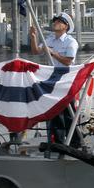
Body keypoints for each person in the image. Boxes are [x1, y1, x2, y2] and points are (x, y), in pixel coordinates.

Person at [30, 12, 81, 146]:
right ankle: (58, 142)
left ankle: (75, 142)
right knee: (55, 111)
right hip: (53, 80)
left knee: (69, 112)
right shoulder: (50, 39)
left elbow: (68, 62)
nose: (55, 23)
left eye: (59, 21)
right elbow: (36, 51)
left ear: (66, 26)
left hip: (66, 80)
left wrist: (54, 53)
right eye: (55, 21)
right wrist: (33, 37)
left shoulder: (71, 42)